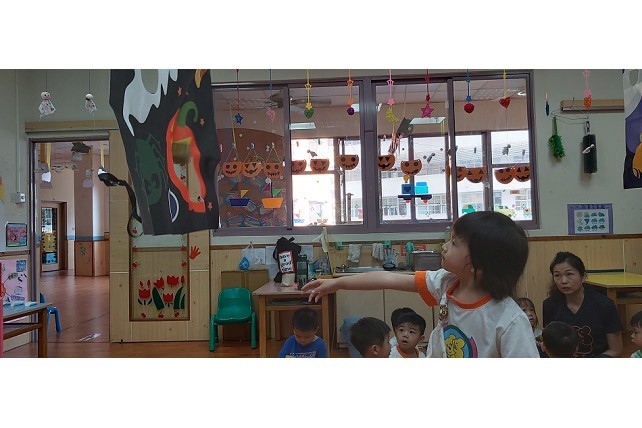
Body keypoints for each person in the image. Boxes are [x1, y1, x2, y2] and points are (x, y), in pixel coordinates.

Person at [303, 211, 539, 358]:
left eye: (454, 243)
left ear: (478, 264)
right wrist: (337, 284)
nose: (444, 246)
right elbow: (387, 278)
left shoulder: (510, 321)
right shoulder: (447, 283)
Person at [542, 251, 623, 358]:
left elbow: (616, 349)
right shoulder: (550, 305)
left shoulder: (604, 305)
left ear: (583, 277)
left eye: (569, 274)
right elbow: (550, 345)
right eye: (557, 275)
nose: (563, 281)